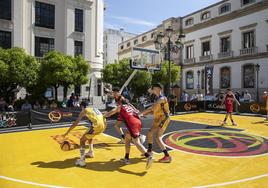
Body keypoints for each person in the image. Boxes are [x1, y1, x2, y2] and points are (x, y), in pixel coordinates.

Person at [105, 97, 153, 169]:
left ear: (119, 103)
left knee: (136, 142)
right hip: (138, 122)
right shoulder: (129, 106)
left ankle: (148, 156)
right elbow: (135, 112)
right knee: (127, 139)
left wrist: (102, 115)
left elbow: (110, 113)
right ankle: (126, 158)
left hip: (132, 124)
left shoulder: (120, 107)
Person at [63, 102, 106, 167]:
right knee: (89, 135)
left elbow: (75, 123)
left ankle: (82, 161)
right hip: (104, 125)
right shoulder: (94, 108)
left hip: (97, 125)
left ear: (82, 106)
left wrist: (67, 132)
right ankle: (91, 152)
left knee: (82, 140)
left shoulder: (84, 111)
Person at [140, 83, 172, 163]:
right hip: (158, 118)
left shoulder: (161, 99)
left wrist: (141, 114)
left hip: (164, 118)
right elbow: (152, 111)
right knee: (150, 132)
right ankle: (150, 151)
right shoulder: (158, 98)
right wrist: (143, 113)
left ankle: (167, 156)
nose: (152, 90)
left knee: (158, 137)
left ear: (157, 89)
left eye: (153, 88)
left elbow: (152, 109)